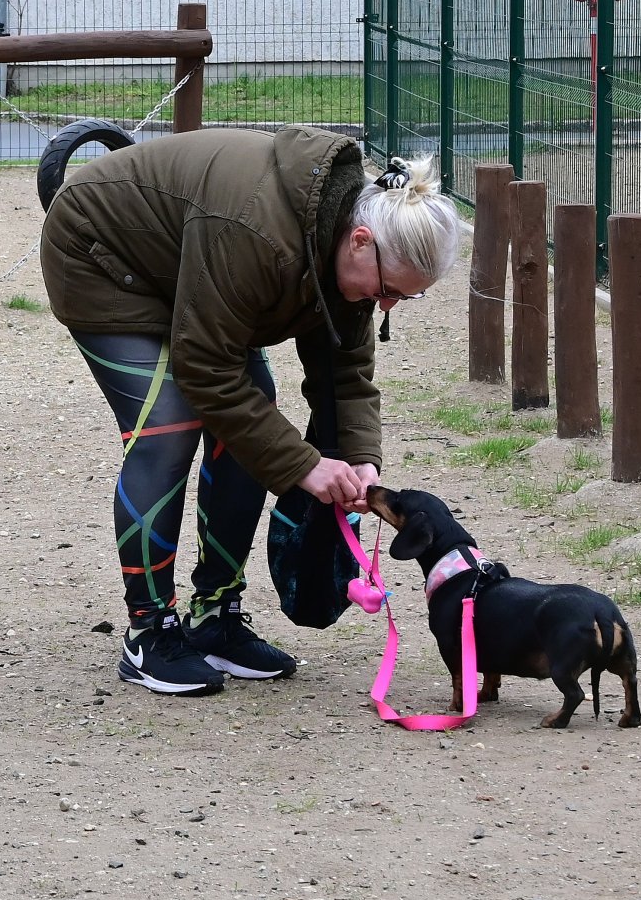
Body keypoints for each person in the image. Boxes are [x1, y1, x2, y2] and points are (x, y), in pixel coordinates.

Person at [39, 128, 462, 697]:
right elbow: (208, 371)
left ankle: (215, 614)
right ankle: (149, 631)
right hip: (104, 255)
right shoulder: (257, 233)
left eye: (402, 299)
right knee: (169, 426)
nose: (385, 304)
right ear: (360, 241)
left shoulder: (349, 240)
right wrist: (305, 468)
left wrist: (361, 460)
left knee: (252, 417)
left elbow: (346, 376)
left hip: (188, 268)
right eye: (388, 289)